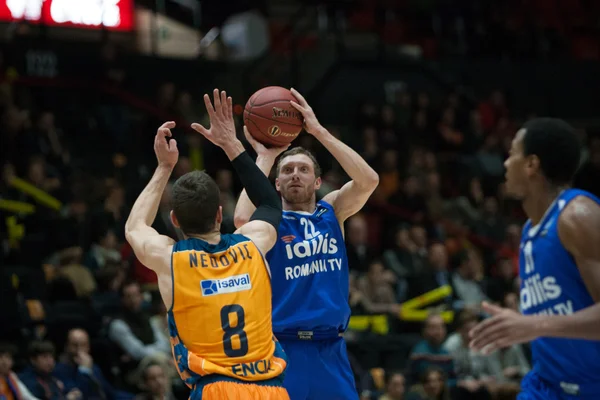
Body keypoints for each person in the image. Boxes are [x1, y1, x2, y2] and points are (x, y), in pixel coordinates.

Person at [125, 89, 289, 400]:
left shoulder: (170, 260)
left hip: (215, 389)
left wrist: (163, 168)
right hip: (271, 390)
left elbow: (135, 227)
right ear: (219, 213)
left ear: (174, 219)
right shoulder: (253, 244)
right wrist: (231, 144)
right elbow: (269, 202)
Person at [234, 88, 379, 399]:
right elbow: (241, 220)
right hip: (282, 348)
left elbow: (368, 181)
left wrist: (318, 131)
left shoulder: (332, 211)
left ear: (317, 181)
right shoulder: (269, 223)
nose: (295, 175)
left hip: (331, 348)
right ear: (276, 183)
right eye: (287, 171)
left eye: (303, 170)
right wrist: (266, 156)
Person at [469, 118, 600, 400]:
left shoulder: (578, 216)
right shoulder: (531, 230)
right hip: (546, 386)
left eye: (512, 154)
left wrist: (533, 325)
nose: (505, 163)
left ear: (531, 165)